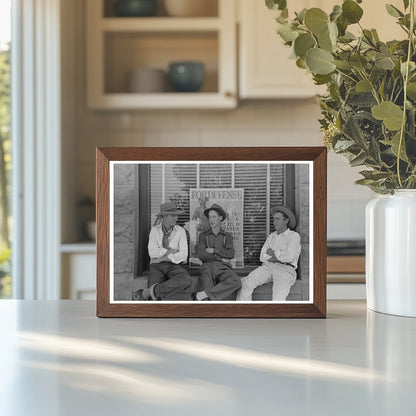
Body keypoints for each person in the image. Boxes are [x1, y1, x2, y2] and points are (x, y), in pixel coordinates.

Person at [237, 205, 301, 301]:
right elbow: (262, 257)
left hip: (286, 269)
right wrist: (279, 255)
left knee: (278, 298)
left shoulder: (294, 236)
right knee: (246, 283)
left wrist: (273, 253)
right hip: (268, 267)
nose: (274, 222)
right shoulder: (271, 236)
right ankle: (244, 312)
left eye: (278, 219)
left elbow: (289, 257)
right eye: (274, 219)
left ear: (286, 221)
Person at [133, 202, 192, 301]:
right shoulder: (154, 230)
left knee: (186, 280)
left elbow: (183, 255)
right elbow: (152, 252)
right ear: (164, 216)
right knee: (154, 300)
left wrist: (161, 259)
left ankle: (147, 292)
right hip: (157, 267)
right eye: (173, 215)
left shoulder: (181, 231)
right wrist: (171, 251)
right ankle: (188, 298)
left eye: (176, 216)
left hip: (174, 265)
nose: (176, 219)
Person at [195, 203, 241, 301]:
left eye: (214, 217)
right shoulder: (203, 236)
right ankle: (207, 296)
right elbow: (201, 255)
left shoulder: (227, 236)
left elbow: (231, 254)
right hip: (207, 267)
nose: (211, 220)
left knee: (236, 281)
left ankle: (206, 293)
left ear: (220, 218)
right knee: (206, 299)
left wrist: (213, 250)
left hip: (223, 267)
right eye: (210, 217)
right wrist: (220, 257)